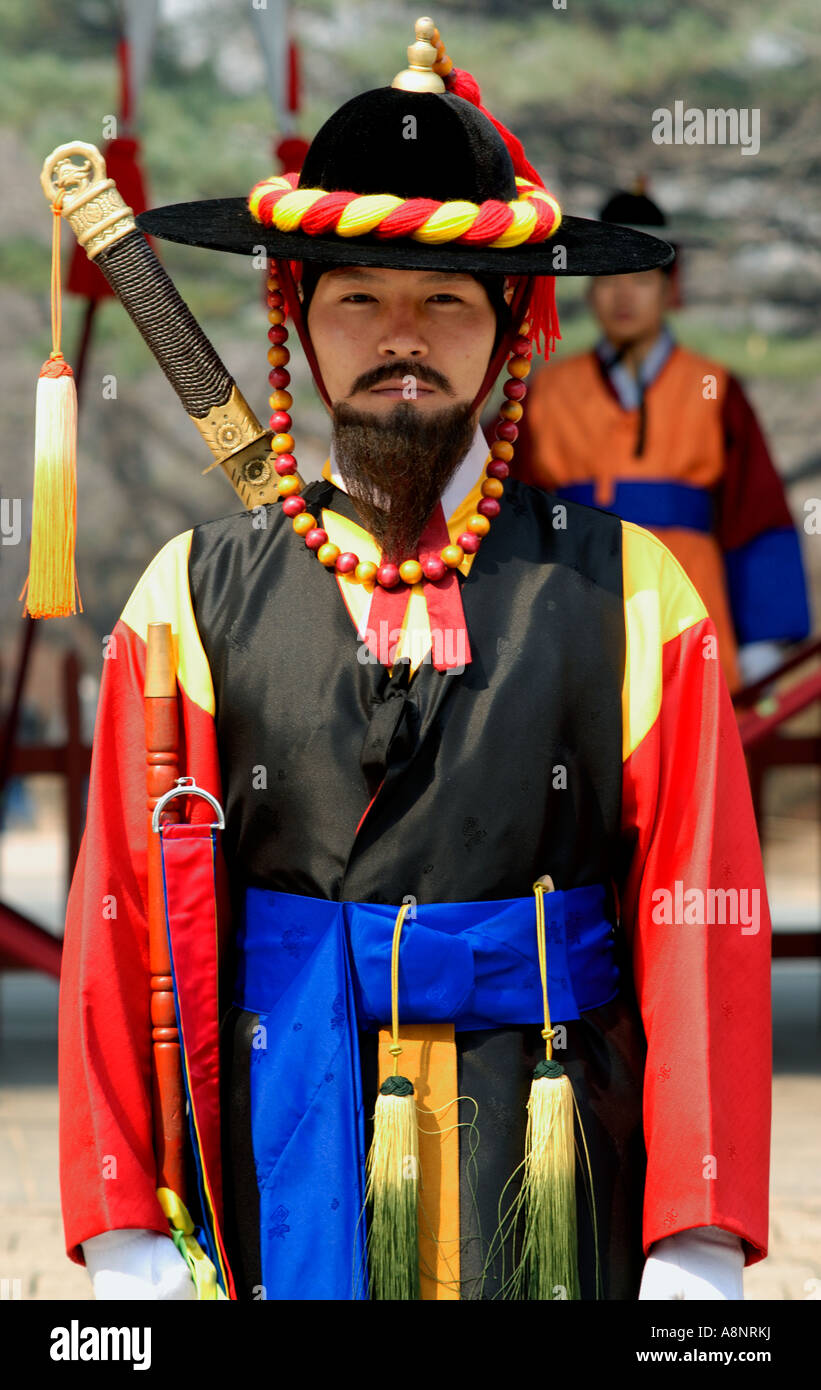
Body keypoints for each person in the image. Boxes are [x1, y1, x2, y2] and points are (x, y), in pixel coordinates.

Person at [58, 21, 771, 1301]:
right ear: (296, 317)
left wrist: (695, 1240)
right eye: (360, 299)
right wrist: (124, 1233)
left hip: (555, 1133)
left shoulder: (629, 594)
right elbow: (118, 932)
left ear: (508, 329)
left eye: (445, 300)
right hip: (282, 1138)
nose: (403, 336)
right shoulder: (191, 598)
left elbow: (693, 921)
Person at [511, 184, 811, 693]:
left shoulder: (715, 388)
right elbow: (515, 522)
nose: (624, 294)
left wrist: (760, 643)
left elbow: (754, 514)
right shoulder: (543, 392)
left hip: (694, 616)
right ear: (589, 287)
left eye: (642, 277)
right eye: (609, 278)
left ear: (672, 286)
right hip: (579, 619)